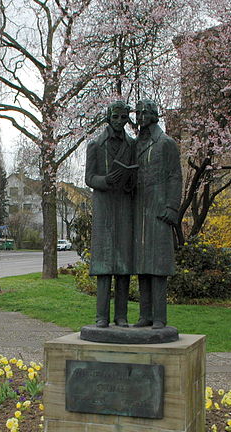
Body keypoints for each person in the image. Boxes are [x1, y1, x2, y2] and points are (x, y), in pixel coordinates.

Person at [84, 101, 137, 327]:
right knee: (104, 266)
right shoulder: (96, 145)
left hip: (124, 207)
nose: (119, 121)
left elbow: (136, 177)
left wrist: (128, 181)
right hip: (105, 209)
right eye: (115, 116)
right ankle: (101, 316)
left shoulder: (132, 145)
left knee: (123, 265)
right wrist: (105, 181)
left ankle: (121, 315)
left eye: (123, 117)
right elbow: (89, 178)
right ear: (108, 117)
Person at [132, 99, 182, 329]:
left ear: (154, 115)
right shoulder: (136, 145)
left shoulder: (166, 143)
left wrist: (172, 207)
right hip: (140, 210)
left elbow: (175, 176)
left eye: (145, 112)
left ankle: (160, 317)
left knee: (159, 266)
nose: (140, 116)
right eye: (138, 112)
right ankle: (145, 316)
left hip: (160, 210)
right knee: (142, 265)